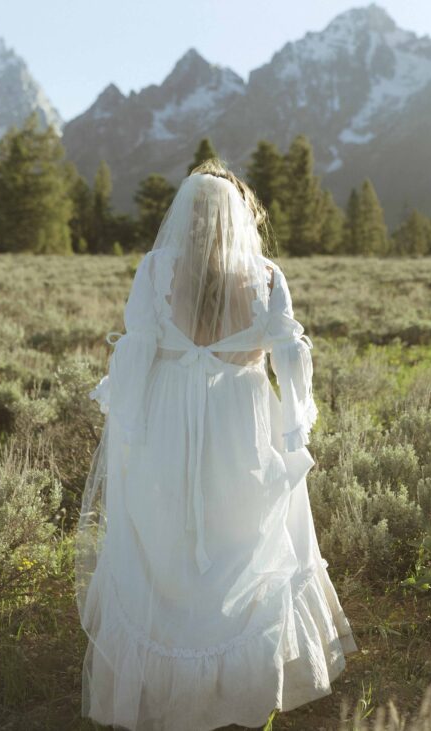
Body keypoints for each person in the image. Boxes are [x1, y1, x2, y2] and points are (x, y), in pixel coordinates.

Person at [75, 158, 357, 730]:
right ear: (240, 214)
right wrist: (296, 422)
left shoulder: (158, 269)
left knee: (168, 536)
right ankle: (239, 686)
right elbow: (288, 351)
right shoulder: (266, 276)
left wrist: (126, 416)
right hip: (239, 418)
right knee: (242, 537)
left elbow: (137, 347)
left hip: (169, 416)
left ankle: (167, 687)